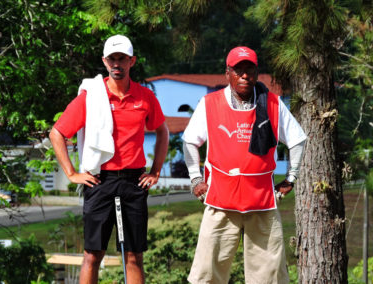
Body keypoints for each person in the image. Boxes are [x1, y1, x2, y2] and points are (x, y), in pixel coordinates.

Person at [49, 34, 169, 284]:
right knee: (92, 255)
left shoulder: (145, 97)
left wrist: (156, 171)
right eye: (112, 59)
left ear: (131, 61)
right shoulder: (91, 97)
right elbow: (57, 133)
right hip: (99, 182)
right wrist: (72, 174)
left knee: (134, 256)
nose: (117, 64)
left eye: (122, 59)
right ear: (104, 61)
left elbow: (162, 131)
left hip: (134, 182)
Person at [183, 46, 307, 284]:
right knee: (207, 273)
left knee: (269, 276)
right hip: (220, 199)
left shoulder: (272, 104)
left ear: (256, 72)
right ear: (227, 73)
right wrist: (196, 179)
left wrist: (291, 178)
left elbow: (298, 139)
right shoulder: (210, 103)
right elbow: (190, 141)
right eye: (238, 70)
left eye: (249, 70)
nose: (244, 75)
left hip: (261, 201)